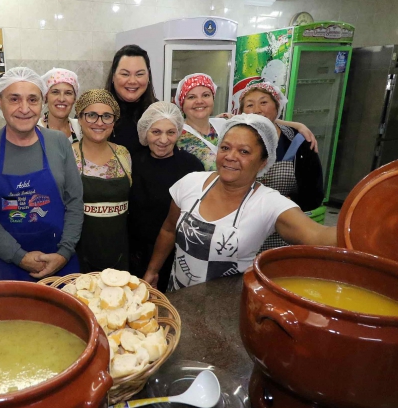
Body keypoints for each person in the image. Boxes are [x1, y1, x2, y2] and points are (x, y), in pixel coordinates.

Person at [142, 114, 336, 291]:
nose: (230, 156)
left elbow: (319, 236)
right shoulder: (191, 183)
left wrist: (362, 219)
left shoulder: (268, 203)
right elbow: (168, 230)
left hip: (227, 309)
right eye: (225, 148)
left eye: (244, 151)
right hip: (179, 296)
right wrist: (152, 270)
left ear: (263, 162)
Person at [0, 67, 82, 281]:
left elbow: (75, 202)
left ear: (42, 103)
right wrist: (19, 257)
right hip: (9, 265)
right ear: (0, 102)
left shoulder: (58, 142)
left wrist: (64, 252)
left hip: (62, 262)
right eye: (14, 99)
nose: (24, 108)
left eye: (32, 99)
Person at [238, 81, 325, 252]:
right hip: (243, 231)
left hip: (284, 231)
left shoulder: (298, 142)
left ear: (277, 107)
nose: (257, 110)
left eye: (264, 102)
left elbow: (314, 193)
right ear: (242, 112)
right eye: (250, 104)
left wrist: (280, 206)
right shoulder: (236, 139)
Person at [128, 101, 204, 291]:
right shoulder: (131, 161)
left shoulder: (192, 167)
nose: (163, 139)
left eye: (170, 132)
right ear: (145, 132)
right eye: (156, 132)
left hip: (177, 254)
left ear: (178, 132)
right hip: (134, 252)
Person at [175, 73, 318, 172]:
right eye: (191, 97)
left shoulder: (225, 123)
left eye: (206, 95)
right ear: (181, 103)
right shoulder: (175, 134)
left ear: (213, 99)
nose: (199, 101)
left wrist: (298, 126)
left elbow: (258, 120)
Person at [72, 89, 131, 272]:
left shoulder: (123, 154)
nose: (99, 122)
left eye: (107, 116)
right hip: (79, 254)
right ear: (80, 118)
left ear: (114, 121)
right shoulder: (69, 154)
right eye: (91, 115)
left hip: (119, 252)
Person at [106, 45, 158, 156]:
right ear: (113, 76)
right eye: (125, 74)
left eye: (139, 74)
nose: (132, 81)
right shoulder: (94, 111)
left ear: (148, 76)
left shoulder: (160, 112)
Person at [38, 68, 81, 143]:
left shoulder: (81, 128)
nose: (61, 99)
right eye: (55, 92)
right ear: (46, 97)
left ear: (74, 99)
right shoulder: (35, 129)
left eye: (68, 93)